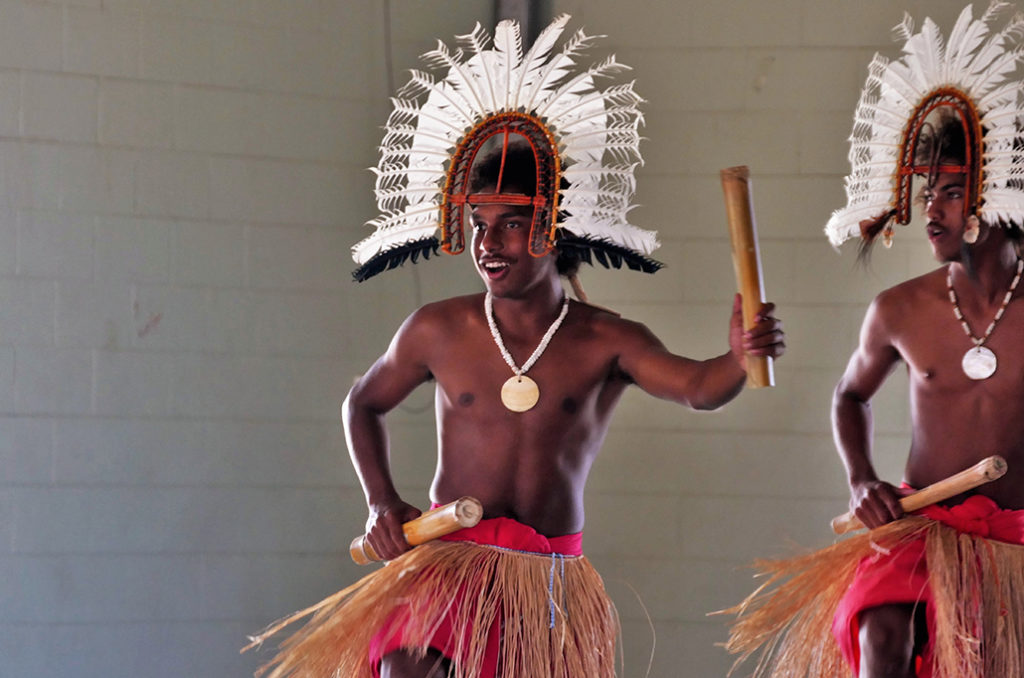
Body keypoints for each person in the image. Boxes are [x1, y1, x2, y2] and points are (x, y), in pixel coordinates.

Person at [246, 14, 784, 678]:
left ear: (555, 232)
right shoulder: (437, 330)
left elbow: (700, 390)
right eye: (478, 224)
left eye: (510, 225)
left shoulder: (605, 339)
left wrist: (738, 355)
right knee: (405, 667)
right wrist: (382, 501)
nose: (487, 244)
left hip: (548, 580)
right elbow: (362, 404)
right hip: (449, 561)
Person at [724, 5, 1024, 678]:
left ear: (1000, 197)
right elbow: (849, 396)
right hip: (924, 531)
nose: (932, 210)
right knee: (881, 636)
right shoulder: (900, 308)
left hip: (1018, 541)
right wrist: (861, 479)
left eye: (951, 192)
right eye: (928, 191)